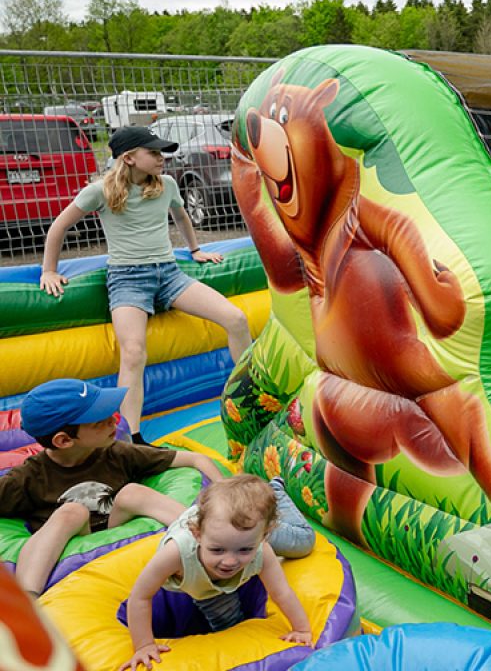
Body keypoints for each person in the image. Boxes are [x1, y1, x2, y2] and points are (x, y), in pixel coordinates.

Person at [38, 127, 253, 444]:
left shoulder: (166, 185)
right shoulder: (99, 191)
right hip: (127, 279)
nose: (161, 158)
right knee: (134, 352)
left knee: (236, 318)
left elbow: (181, 217)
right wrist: (49, 271)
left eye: (162, 152)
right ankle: (131, 438)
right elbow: (58, 227)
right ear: (128, 158)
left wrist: (195, 251)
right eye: (153, 152)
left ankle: (250, 398)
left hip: (169, 275)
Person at [0, 379, 223, 597]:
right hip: (70, 547)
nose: (114, 422)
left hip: (115, 528)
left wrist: (225, 495)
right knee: (72, 512)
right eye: (100, 421)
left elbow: (196, 459)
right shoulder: (28, 478)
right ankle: (28, 599)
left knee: (132, 492)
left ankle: (213, 540)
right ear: (64, 440)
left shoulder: (117, 453)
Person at [121, 475, 313, 671]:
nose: (230, 561)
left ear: (263, 537)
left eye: (245, 550)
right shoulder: (176, 553)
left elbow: (282, 592)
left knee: (303, 543)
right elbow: (140, 596)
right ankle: (145, 501)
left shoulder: (261, 550)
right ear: (197, 535)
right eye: (217, 550)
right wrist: (144, 645)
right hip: (197, 573)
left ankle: (275, 492)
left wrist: (302, 629)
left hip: (221, 562)